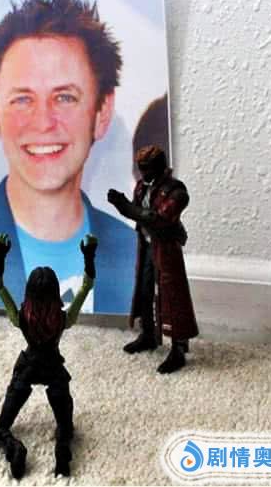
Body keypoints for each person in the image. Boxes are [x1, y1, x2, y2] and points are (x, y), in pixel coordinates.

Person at [0, 0, 136, 312]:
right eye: (22, 99)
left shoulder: (135, 250)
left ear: (102, 113)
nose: (43, 122)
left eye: (65, 97)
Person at [0, 233, 97, 478]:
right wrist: (89, 256)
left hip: (27, 367)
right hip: (53, 369)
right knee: (66, 428)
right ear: (55, 292)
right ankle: (62, 450)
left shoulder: (21, 318)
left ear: (28, 292)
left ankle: (13, 446)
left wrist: (0, 255)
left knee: (0, 429)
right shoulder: (63, 319)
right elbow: (87, 286)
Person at [107, 145, 198, 373]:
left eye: (147, 168)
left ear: (159, 166)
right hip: (147, 244)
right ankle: (148, 334)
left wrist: (125, 207)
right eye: (141, 168)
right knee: (144, 289)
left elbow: (158, 218)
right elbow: (139, 213)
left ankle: (178, 347)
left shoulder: (176, 191)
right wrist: (124, 206)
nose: (143, 173)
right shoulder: (141, 187)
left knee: (172, 295)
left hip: (166, 246)